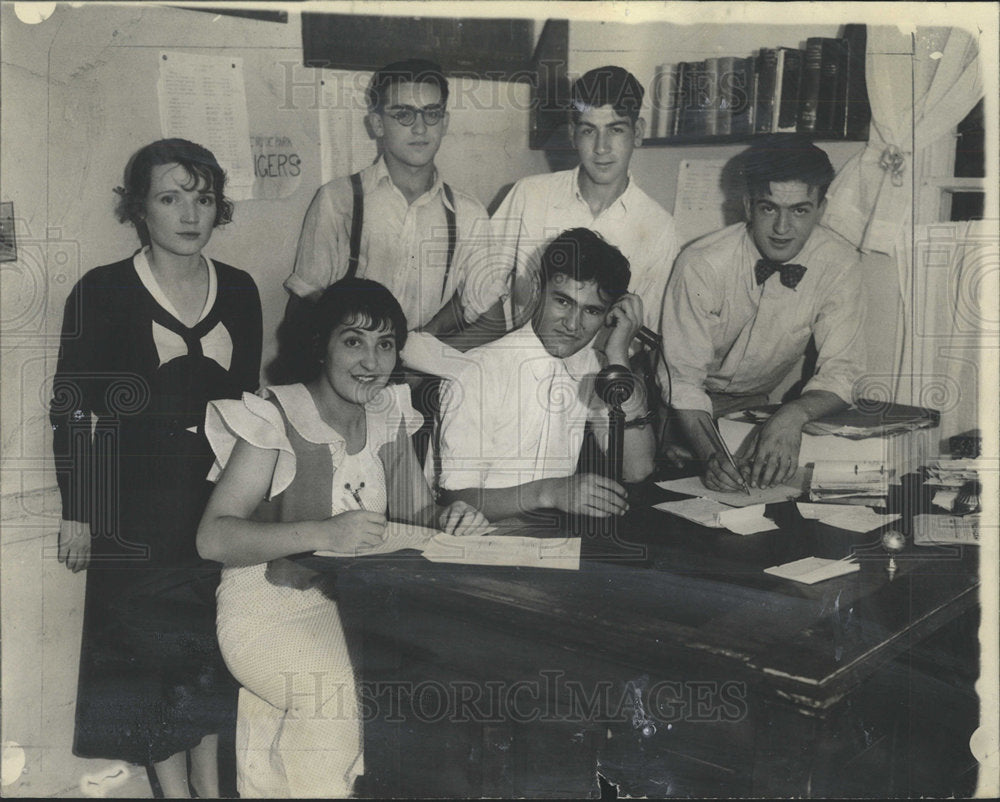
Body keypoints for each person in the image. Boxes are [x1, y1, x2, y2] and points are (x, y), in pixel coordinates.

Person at [196, 277, 490, 798]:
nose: (370, 361)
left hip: (351, 609)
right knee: (332, 696)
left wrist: (453, 518)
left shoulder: (386, 414)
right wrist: (323, 533)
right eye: (352, 340)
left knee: (420, 688)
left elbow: (419, 515)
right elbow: (213, 539)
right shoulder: (274, 416)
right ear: (320, 345)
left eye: (385, 344)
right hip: (263, 609)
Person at [51, 138, 262, 797]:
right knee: (152, 666)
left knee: (205, 660)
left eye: (203, 199)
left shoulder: (243, 291)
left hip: (212, 514)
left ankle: (207, 789)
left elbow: (249, 413)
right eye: (171, 198)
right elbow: (71, 411)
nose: (189, 214)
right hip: (131, 518)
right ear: (139, 208)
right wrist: (78, 512)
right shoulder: (103, 292)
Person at [658, 135, 866, 491]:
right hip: (674, 413)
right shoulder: (702, 263)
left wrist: (791, 415)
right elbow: (682, 381)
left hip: (754, 411)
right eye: (769, 208)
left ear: (821, 208)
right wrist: (710, 454)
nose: (782, 229)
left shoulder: (841, 265)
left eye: (799, 210)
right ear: (748, 205)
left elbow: (843, 371)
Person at [284, 58, 506, 371]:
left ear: (445, 122)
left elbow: (492, 322)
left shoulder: (468, 214)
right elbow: (304, 302)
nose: (420, 127)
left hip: (420, 382)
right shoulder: (339, 200)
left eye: (431, 114)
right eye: (403, 114)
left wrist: (419, 363)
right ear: (376, 124)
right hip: (347, 375)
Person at [436, 228, 656, 520]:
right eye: (563, 301)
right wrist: (551, 493)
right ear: (537, 290)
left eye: (591, 311)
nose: (572, 324)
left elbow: (638, 468)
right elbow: (458, 499)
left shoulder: (593, 367)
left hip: (550, 538)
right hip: (480, 539)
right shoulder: (480, 370)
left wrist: (618, 355)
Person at [489, 65, 678, 334]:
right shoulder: (528, 195)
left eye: (615, 130)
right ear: (572, 134)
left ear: (637, 132)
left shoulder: (660, 227)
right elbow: (482, 284)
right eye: (589, 130)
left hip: (597, 371)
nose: (601, 148)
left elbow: (646, 326)